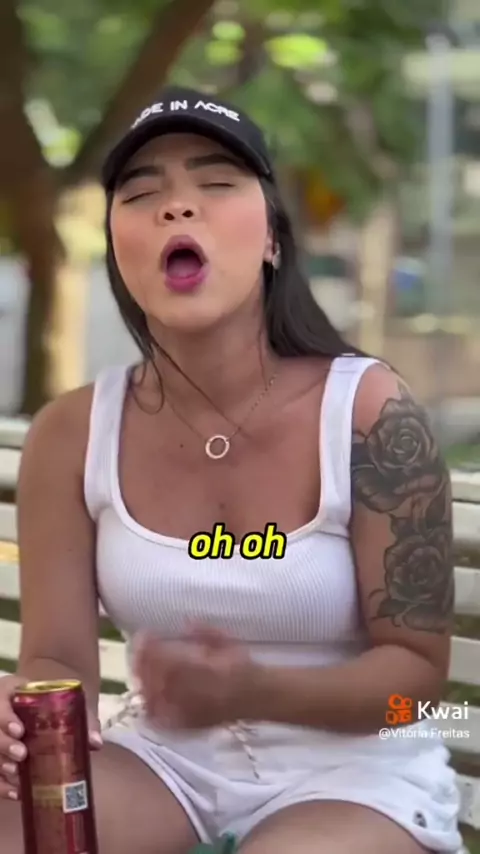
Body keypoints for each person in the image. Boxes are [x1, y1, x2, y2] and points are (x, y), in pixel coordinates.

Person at [0, 86, 461, 854]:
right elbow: (56, 663)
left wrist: (255, 690)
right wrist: (21, 704)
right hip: (164, 763)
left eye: (216, 183)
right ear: (117, 250)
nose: (177, 207)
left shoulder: (370, 413)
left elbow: (414, 688)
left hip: (355, 774)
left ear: (273, 239)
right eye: (141, 194)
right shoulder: (71, 433)